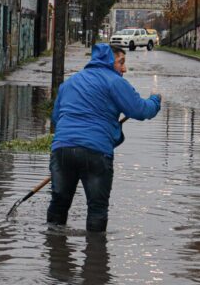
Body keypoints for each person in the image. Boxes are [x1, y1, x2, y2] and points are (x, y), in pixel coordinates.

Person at [48, 43, 162, 232]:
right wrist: (155, 100)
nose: (124, 68)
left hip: (62, 150)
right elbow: (141, 110)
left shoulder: (70, 82)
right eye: (121, 62)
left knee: (59, 203)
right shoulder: (115, 82)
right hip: (96, 152)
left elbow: (56, 117)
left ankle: (54, 249)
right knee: (97, 208)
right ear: (109, 61)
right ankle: (96, 256)